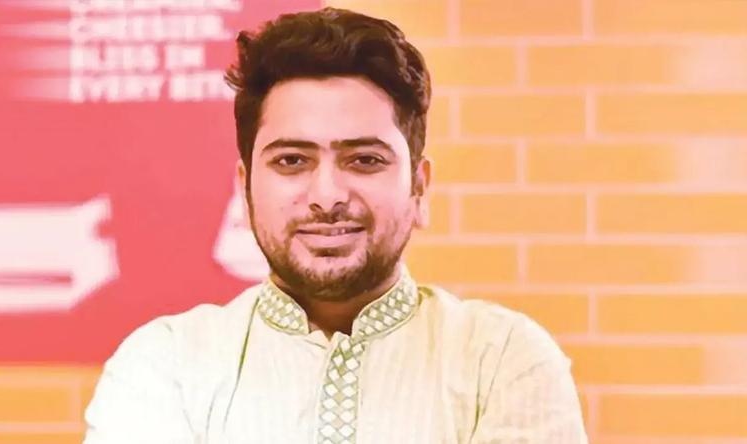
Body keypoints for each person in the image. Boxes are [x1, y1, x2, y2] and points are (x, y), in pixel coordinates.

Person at [83, 7, 588, 443]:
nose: (327, 197)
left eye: (365, 160)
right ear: (245, 188)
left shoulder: (500, 360)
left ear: (418, 187)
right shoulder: (165, 365)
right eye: (291, 161)